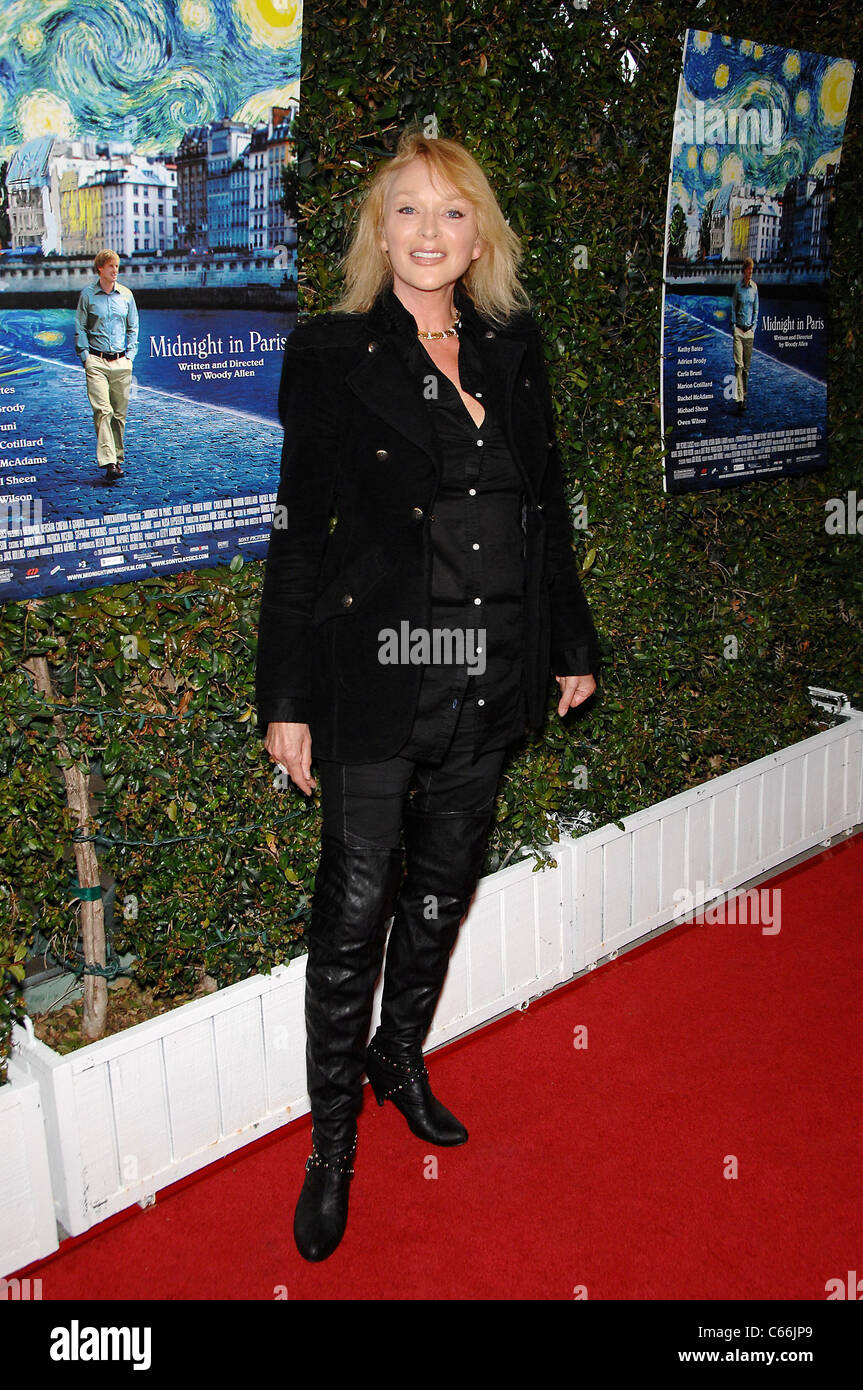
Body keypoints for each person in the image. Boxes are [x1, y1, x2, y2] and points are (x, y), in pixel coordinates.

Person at [255, 129, 601, 1262]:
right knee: (352, 913)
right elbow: (301, 537)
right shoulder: (330, 351)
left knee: (441, 893)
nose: (427, 233)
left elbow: (540, 508)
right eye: (405, 210)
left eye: (450, 213)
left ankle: (399, 1056)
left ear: (477, 233)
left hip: (491, 672)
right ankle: (334, 1144)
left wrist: (568, 643)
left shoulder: (512, 344)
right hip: (374, 678)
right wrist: (286, 698)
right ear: (377, 229)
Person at [74, 248, 139, 480]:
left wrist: (130, 355)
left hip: (122, 362)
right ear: (100, 268)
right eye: (111, 266)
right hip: (97, 362)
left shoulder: (126, 295)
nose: (115, 271)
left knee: (119, 415)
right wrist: (85, 357)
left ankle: (118, 459)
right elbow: (80, 327)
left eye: (117, 266)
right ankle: (109, 462)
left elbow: (133, 327)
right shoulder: (88, 296)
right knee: (103, 411)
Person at [731, 257, 758, 414]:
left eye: (752, 271)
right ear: (744, 271)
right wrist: (734, 325)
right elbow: (733, 307)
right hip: (739, 331)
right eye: (748, 270)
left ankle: (744, 395)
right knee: (738, 366)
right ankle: (739, 399)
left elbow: (756, 309)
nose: (750, 273)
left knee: (746, 369)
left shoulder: (754, 288)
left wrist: (754, 327)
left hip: (749, 332)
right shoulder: (738, 288)